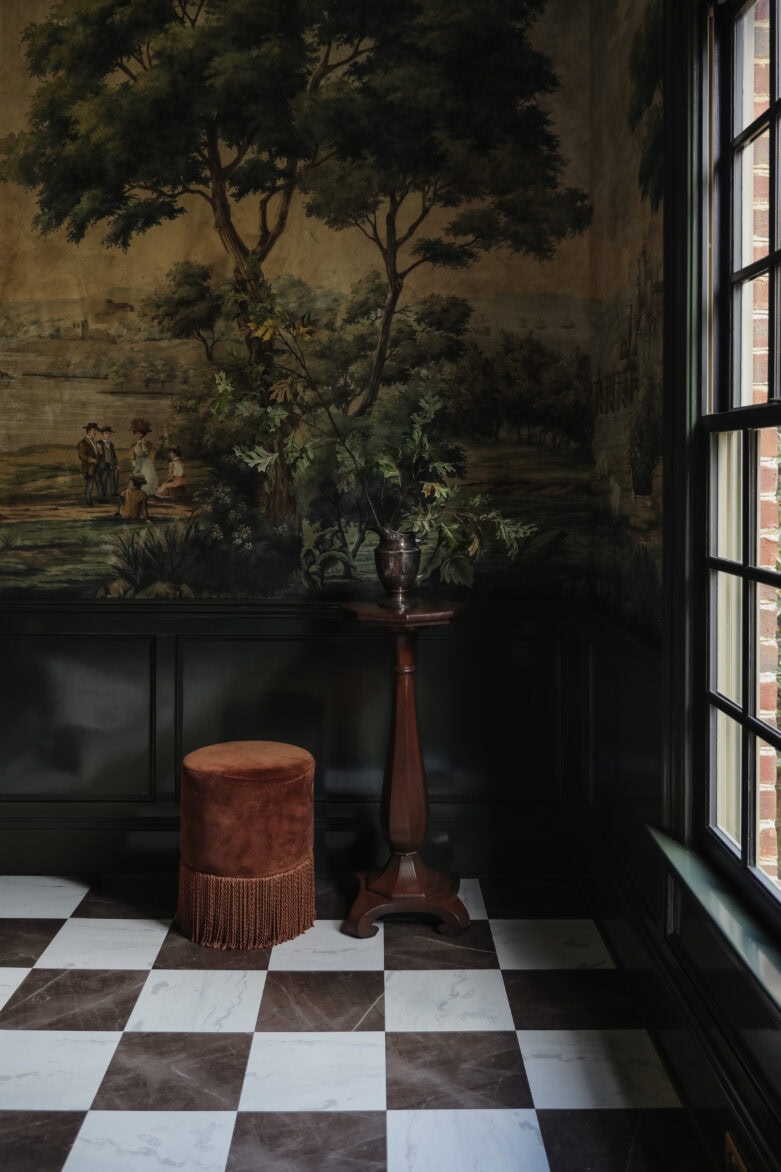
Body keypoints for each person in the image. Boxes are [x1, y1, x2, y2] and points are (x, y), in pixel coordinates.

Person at [129, 418, 158, 497]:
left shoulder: (144, 443)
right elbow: (133, 455)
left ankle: (146, 492)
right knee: (136, 477)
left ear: (143, 434)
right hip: (139, 462)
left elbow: (147, 453)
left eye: (140, 433)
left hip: (145, 462)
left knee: (147, 476)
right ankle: (138, 492)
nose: (139, 435)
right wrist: (133, 458)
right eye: (137, 433)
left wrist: (144, 449)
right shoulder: (135, 444)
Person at [76, 422, 100, 505]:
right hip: (88, 467)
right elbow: (81, 455)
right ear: (88, 431)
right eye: (94, 430)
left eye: (96, 430)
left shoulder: (94, 441)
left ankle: (89, 499)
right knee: (89, 484)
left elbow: (95, 452)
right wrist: (91, 459)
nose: (95, 432)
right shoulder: (83, 442)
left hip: (93, 467)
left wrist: (98, 452)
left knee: (91, 483)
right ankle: (88, 500)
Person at [96, 425, 119, 500]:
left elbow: (114, 455)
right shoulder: (99, 443)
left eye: (109, 433)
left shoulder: (111, 444)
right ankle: (103, 495)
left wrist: (116, 464)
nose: (108, 435)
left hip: (111, 464)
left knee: (112, 479)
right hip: (103, 465)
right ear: (102, 434)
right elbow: (98, 455)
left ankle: (114, 493)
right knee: (104, 480)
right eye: (106, 433)